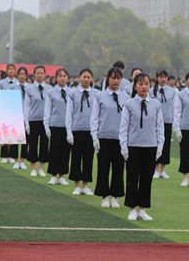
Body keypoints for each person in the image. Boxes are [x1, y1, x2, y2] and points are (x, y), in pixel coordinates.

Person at [120, 73, 164, 221]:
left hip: (150, 146)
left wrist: (160, 146)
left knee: (146, 179)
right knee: (132, 178)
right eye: (140, 84)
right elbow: (123, 127)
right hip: (133, 145)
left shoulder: (156, 104)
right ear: (135, 86)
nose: (144, 87)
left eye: (146, 84)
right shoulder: (129, 104)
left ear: (150, 85)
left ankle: (142, 209)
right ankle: (132, 208)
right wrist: (123, 146)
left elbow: (159, 127)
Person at [91, 67, 129, 208]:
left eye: (118, 78)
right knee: (103, 168)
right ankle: (104, 196)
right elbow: (95, 118)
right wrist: (95, 136)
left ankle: (115, 196)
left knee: (118, 169)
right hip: (104, 137)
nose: (115, 81)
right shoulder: (100, 96)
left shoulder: (125, 97)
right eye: (113, 78)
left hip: (120, 139)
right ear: (108, 79)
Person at [66, 69, 97, 196]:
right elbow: (69, 113)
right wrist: (69, 131)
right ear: (79, 78)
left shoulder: (96, 94)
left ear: (91, 79)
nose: (86, 79)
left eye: (88, 77)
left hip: (90, 131)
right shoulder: (73, 93)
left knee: (88, 159)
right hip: (77, 130)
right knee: (76, 158)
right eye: (84, 77)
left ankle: (85, 185)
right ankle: (77, 185)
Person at [23, 65, 52, 177]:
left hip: (45, 120)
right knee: (33, 143)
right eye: (37, 73)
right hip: (33, 119)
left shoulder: (49, 89)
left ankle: (41, 168)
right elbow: (26, 106)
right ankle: (33, 168)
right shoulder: (29, 89)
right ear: (34, 75)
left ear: (45, 74)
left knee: (45, 144)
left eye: (41, 73)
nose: (40, 75)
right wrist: (26, 122)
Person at [44, 68, 71, 186]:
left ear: (67, 78)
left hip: (67, 126)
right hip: (55, 125)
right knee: (54, 151)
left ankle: (62, 175)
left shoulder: (71, 92)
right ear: (56, 78)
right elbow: (47, 110)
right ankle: (53, 175)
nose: (62, 78)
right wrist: (47, 126)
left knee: (65, 152)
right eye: (60, 76)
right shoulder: (51, 92)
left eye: (64, 76)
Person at [150, 70, 176, 179]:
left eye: (165, 77)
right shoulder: (151, 91)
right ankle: (155, 169)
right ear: (157, 78)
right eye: (161, 77)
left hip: (167, 121)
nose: (163, 79)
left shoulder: (172, 91)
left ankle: (163, 170)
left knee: (166, 145)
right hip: (155, 121)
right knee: (156, 144)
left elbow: (174, 107)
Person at [0, 64, 18, 164]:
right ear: (6, 71)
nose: (11, 71)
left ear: (15, 71)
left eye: (12, 69)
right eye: (9, 69)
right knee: (5, 133)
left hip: (15, 111)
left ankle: (13, 155)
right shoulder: (2, 83)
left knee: (13, 133)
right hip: (5, 111)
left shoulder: (18, 83)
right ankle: (4, 155)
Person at [174, 72, 189, 187]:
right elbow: (177, 112)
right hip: (185, 127)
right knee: (184, 153)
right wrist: (177, 128)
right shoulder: (181, 94)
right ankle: (185, 177)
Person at [12, 67, 29, 169]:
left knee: (25, 139)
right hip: (15, 115)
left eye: (24, 74)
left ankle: (22, 160)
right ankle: (16, 160)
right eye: (20, 74)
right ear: (17, 75)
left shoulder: (30, 88)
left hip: (26, 116)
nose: (22, 76)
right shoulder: (13, 87)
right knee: (15, 139)